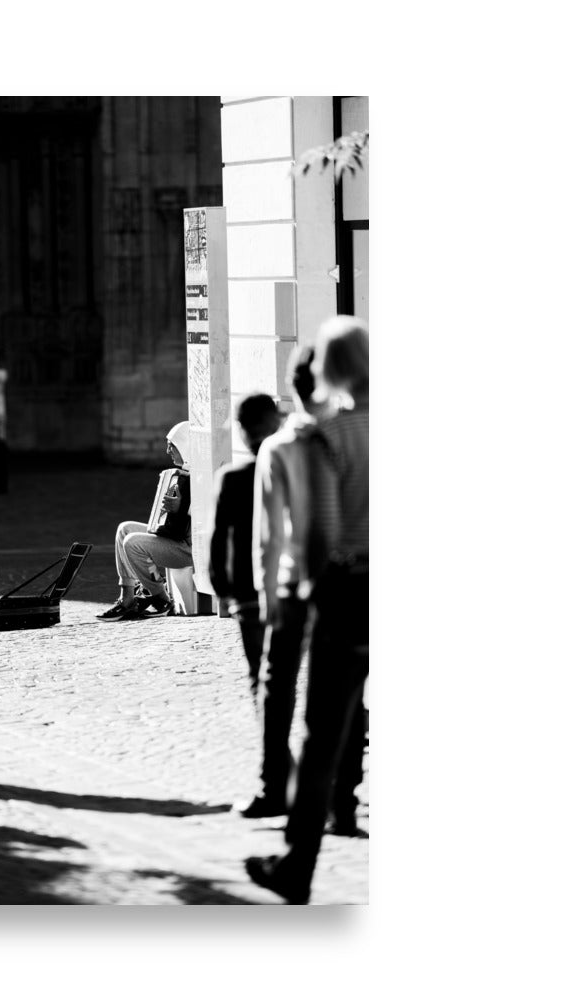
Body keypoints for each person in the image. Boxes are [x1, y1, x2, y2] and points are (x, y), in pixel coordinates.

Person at [245, 316, 369, 903]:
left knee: (323, 731)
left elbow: (322, 530)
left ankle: (298, 863)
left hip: (349, 589)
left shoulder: (327, 437)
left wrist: (312, 593)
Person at [208, 395, 282, 804]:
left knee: (264, 681)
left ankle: (276, 777)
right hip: (292, 591)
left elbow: (218, 544)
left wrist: (225, 590)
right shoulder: (293, 470)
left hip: (251, 598)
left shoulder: (233, 478)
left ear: (241, 430)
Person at [96, 421, 193, 622]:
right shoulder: (182, 474)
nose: (167, 450)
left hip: (190, 549)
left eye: (172, 445)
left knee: (132, 542)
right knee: (124, 529)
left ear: (185, 446)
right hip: (177, 539)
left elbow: (208, 511)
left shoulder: (201, 475)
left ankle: (162, 599)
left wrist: (181, 509)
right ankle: (127, 598)